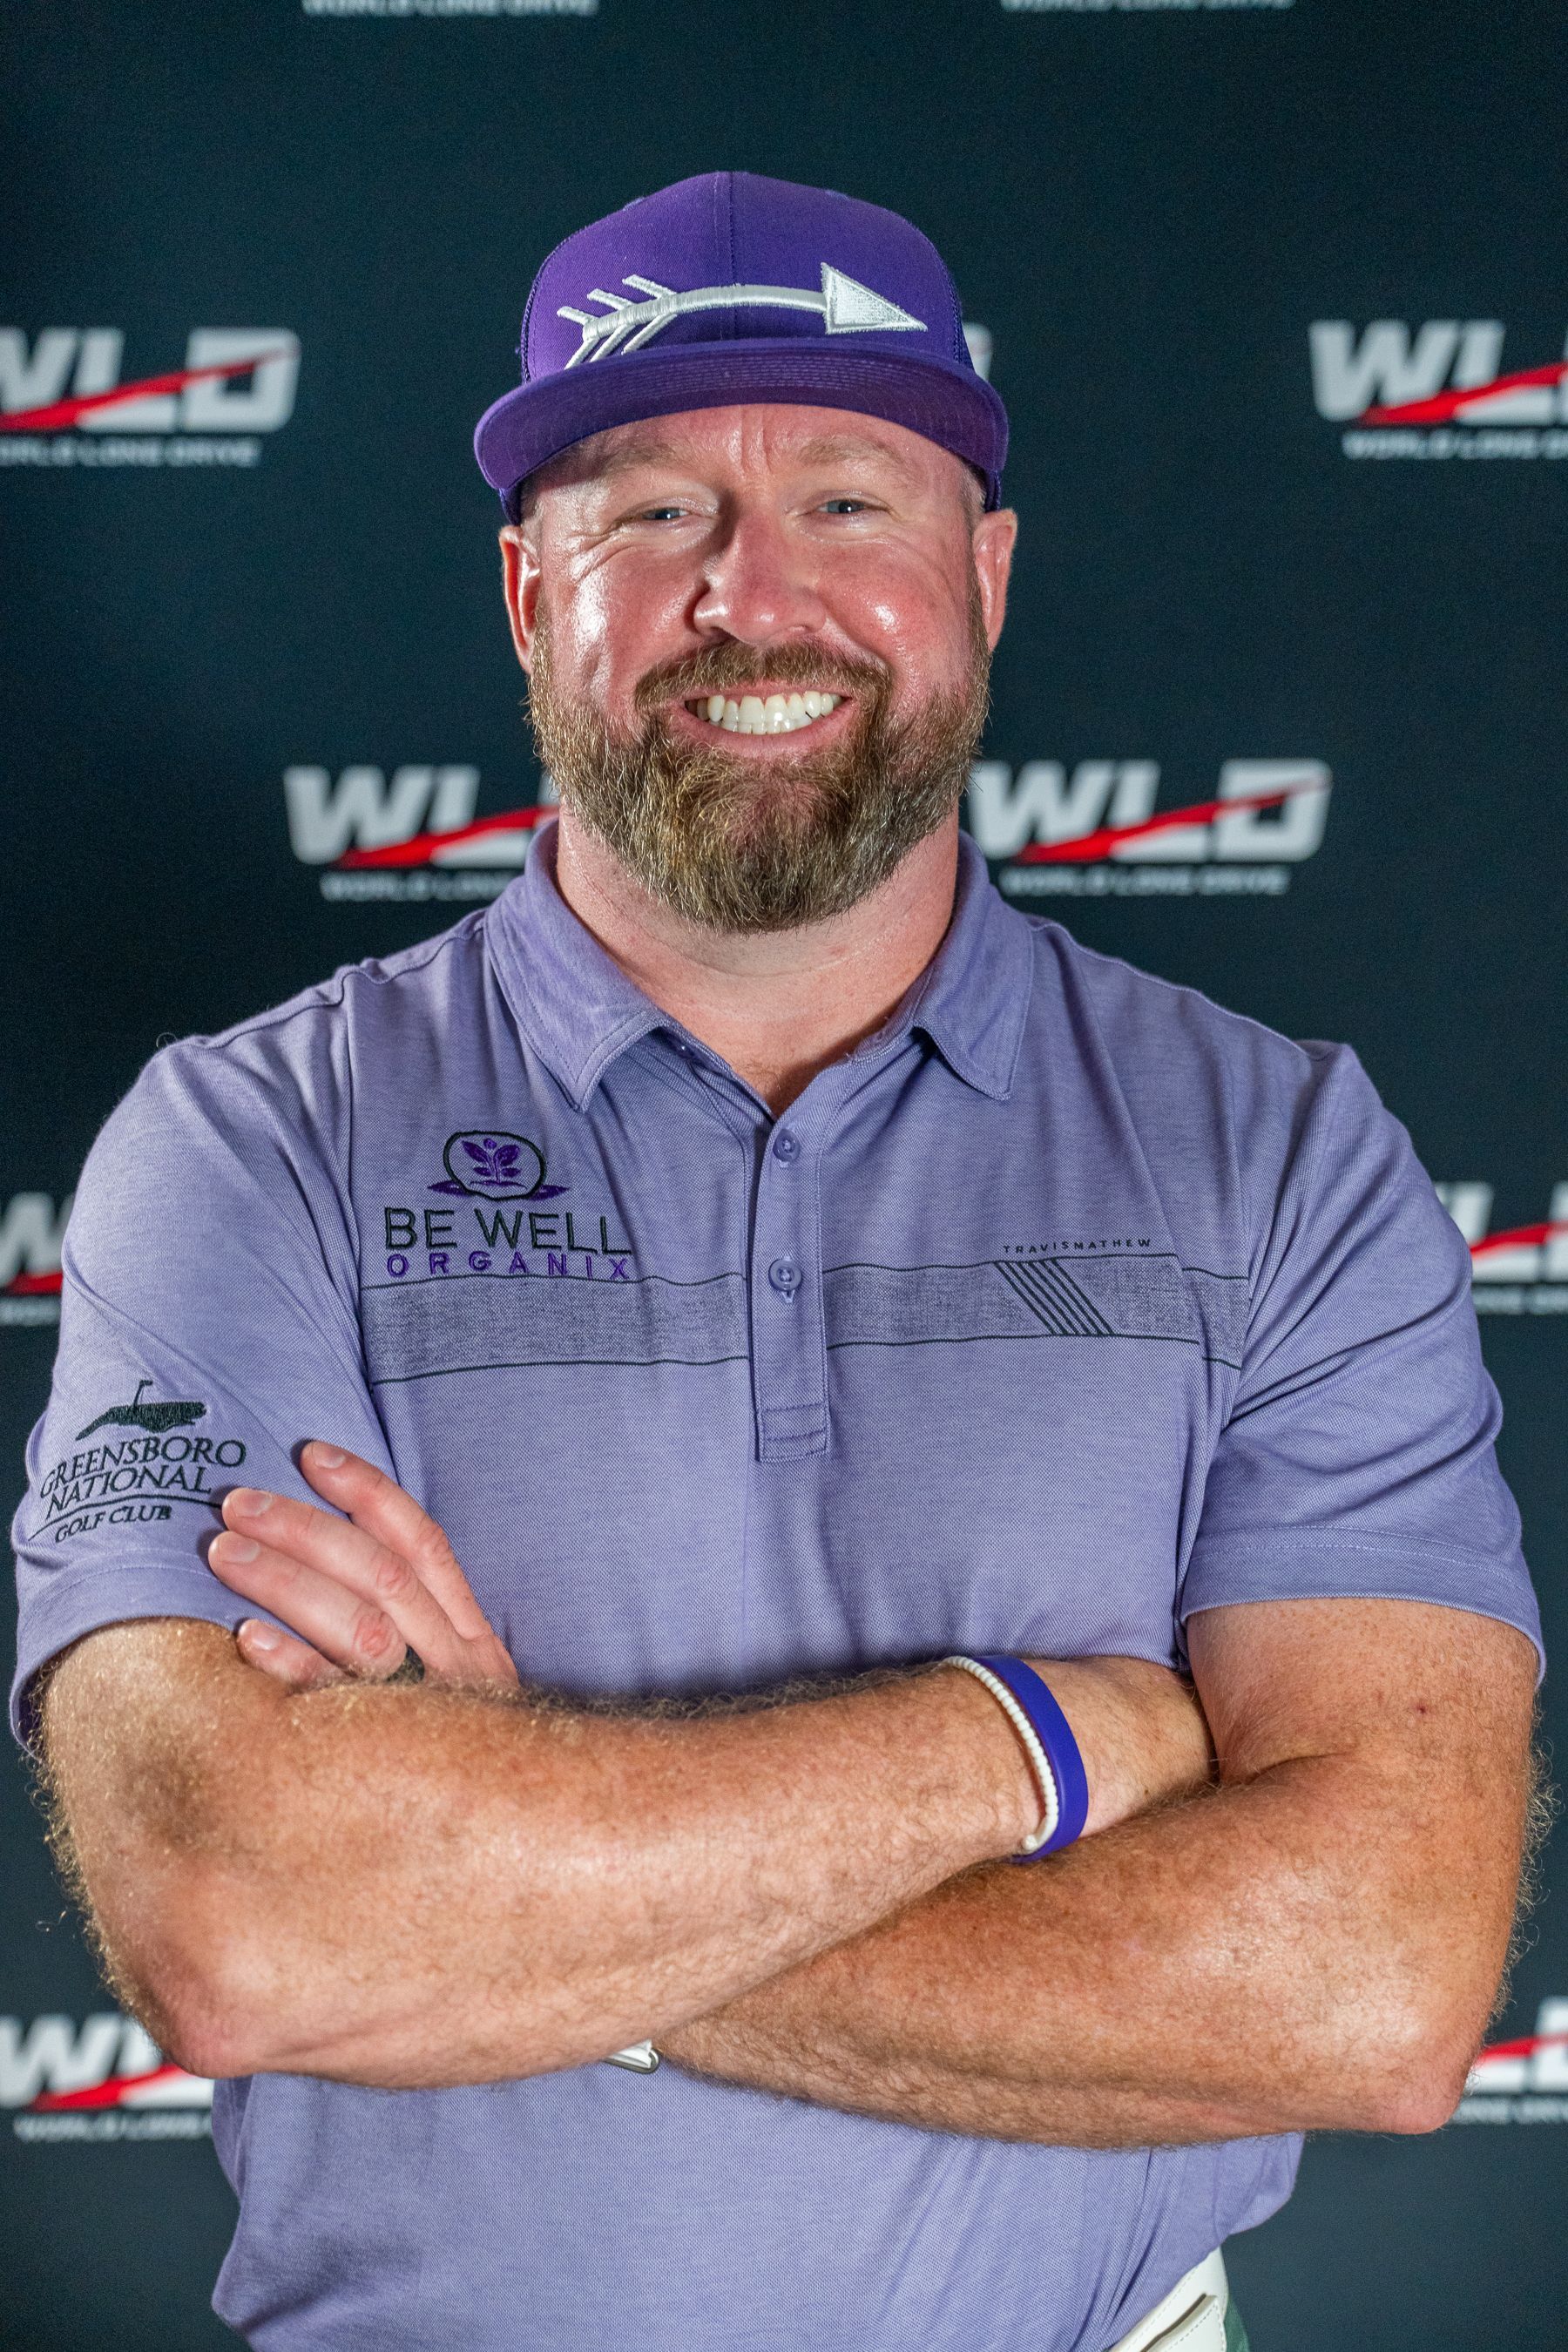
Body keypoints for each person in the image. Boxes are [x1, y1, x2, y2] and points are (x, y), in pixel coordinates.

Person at [11, 172, 1544, 2352]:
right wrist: (1035, 1736)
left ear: (985, 577)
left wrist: (506, 1891)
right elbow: (250, 1924)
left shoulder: (1278, 1156)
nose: (756, 597)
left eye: (848, 499)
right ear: (527, 590)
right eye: (650, 516)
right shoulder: (250, 1146)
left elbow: (1373, 1980)